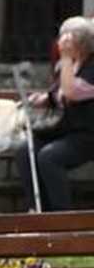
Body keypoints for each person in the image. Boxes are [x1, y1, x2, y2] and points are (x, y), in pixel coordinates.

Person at [19, 15, 94, 211]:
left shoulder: (86, 66)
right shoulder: (72, 63)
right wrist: (46, 98)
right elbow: (61, 93)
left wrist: (66, 58)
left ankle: (61, 215)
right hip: (66, 129)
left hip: (87, 135)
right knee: (26, 150)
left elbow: (72, 92)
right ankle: (38, 209)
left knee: (49, 157)